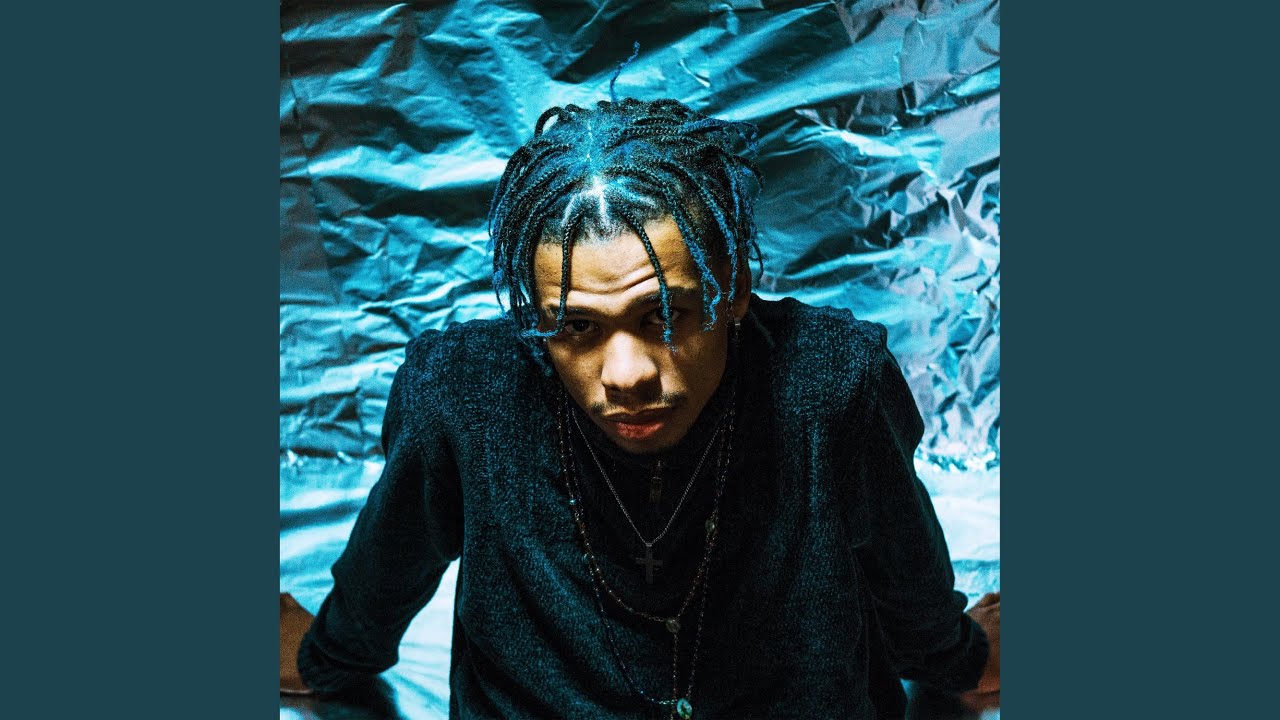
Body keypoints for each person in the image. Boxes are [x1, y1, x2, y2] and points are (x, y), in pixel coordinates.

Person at [280, 97, 1000, 718]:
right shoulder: (462, 393)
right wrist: (327, 657)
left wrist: (958, 658)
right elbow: (393, 557)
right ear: (534, 316)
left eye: (666, 316)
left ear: (734, 290)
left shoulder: (832, 383)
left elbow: (905, 573)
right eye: (576, 327)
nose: (626, 376)